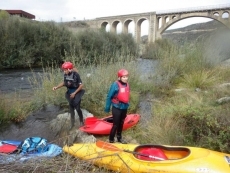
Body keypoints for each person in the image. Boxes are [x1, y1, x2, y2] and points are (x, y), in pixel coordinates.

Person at [53, 61, 85, 129]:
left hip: (77, 93)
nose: (64, 71)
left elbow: (81, 85)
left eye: (65, 70)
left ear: (69, 69)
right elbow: (64, 83)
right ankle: (72, 123)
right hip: (70, 93)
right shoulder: (65, 74)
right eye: (63, 70)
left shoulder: (76, 75)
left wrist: (74, 93)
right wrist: (56, 87)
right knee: (71, 109)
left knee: (78, 108)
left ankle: (81, 121)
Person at [104, 69, 130, 144]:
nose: (126, 78)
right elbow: (109, 96)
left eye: (126, 77)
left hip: (124, 107)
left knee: (121, 123)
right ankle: (111, 140)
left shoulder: (127, 84)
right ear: (119, 77)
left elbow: (126, 95)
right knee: (115, 124)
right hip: (117, 107)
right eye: (124, 77)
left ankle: (119, 138)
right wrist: (107, 108)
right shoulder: (115, 85)